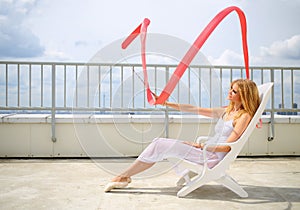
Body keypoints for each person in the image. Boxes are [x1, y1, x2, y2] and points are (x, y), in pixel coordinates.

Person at [104, 79, 260, 192]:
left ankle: (123, 176)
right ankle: (124, 176)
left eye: (234, 91)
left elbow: (227, 147)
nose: (229, 93)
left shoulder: (244, 116)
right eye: (230, 89)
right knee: (159, 143)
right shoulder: (227, 111)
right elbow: (194, 108)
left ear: (244, 95)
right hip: (206, 152)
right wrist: (165, 103)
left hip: (211, 157)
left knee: (159, 144)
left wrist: (200, 145)